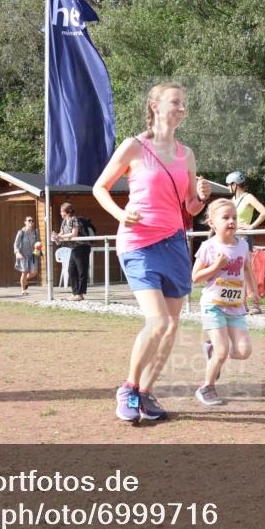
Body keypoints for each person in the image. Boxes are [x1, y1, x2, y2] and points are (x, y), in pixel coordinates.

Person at [93, 81, 211, 423]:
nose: (181, 109)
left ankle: (145, 392)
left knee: (172, 326)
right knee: (157, 320)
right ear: (155, 106)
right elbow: (100, 187)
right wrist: (120, 214)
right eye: (175, 102)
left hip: (174, 241)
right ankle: (128, 388)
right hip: (138, 241)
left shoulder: (186, 154)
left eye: (184, 104)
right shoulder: (134, 147)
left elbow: (187, 206)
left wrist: (200, 196)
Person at [192, 199, 258, 406]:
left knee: (243, 351)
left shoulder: (242, 245)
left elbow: (247, 268)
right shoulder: (208, 247)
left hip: (235, 306)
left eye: (234, 218)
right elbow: (195, 277)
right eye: (225, 218)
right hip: (213, 305)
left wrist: (252, 290)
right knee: (222, 351)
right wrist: (216, 266)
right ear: (212, 223)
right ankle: (206, 387)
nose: (232, 221)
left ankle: (212, 351)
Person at [225, 171, 265, 313]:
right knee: (237, 272)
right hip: (234, 237)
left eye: (229, 185)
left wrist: (251, 226)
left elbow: (264, 212)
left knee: (247, 271)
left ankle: (256, 304)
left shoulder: (248, 197)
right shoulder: (232, 201)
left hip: (245, 237)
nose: (227, 188)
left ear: (235, 185)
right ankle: (242, 305)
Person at [52, 203, 91, 301]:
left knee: (81, 271)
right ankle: (75, 293)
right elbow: (61, 233)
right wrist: (56, 236)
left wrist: (60, 236)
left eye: (62, 211)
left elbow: (74, 233)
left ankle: (80, 294)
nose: (60, 212)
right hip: (74, 248)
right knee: (71, 270)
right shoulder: (64, 221)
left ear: (67, 212)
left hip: (82, 246)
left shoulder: (74, 219)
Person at [13, 216, 40, 295]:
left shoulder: (36, 232)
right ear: (25, 222)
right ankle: (23, 290)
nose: (31, 222)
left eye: (32, 221)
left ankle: (25, 280)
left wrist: (39, 252)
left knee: (34, 272)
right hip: (23, 255)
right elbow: (16, 244)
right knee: (24, 273)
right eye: (29, 220)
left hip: (33, 255)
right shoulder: (21, 232)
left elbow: (38, 243)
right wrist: (17, 253)